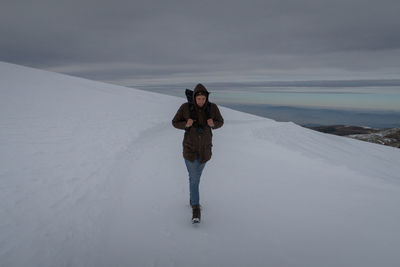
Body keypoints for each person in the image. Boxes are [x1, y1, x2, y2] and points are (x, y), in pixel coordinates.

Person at [172, 83, 224, 223]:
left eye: (203, 98)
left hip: (205, 151)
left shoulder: (212, 108)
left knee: (195, 177)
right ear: (194, 98)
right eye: (198, 98)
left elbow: (221, 122)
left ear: (206, 98)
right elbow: (174, 122)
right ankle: (196, 208)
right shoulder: (185, 108)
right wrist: (185, 124)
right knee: (195, 179)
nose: (201, 101)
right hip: (190, 150)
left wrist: (213, 124)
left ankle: (192, 196)